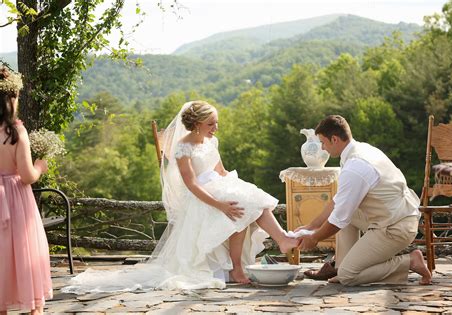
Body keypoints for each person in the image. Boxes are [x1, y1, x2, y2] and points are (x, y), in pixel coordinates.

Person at [62, 100, 299, 293]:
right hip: (202, 195)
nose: (215, 128)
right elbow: (191, 183)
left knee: (253, 198)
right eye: (210, 124)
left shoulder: (211, 141)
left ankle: (280, 240)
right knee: (238, 207)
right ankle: (239, 266)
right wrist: (219, 204)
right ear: (196, 124)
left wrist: (237, 184)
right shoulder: (183, 148)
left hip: (218, 186)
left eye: (216, 123)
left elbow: (221, 171)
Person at [296, 115, 432, 286]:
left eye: (323, 142)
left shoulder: (356, 167)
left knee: (349, 276)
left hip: (396, 227)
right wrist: (310, 227)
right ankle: (341, 266)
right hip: (391, 216)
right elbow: (338, 202)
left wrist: (314, 238)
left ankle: (409, 261)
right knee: (346, 212)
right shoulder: (360, 150)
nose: (322, 148)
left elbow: (338, 220)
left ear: (334, 139)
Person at [0, 66, 52, 314]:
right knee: (24, 253)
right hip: (16, 200)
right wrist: (40, 166)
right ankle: (33, 309)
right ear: (11, 98)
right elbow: (28, 176)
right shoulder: (16, 132)